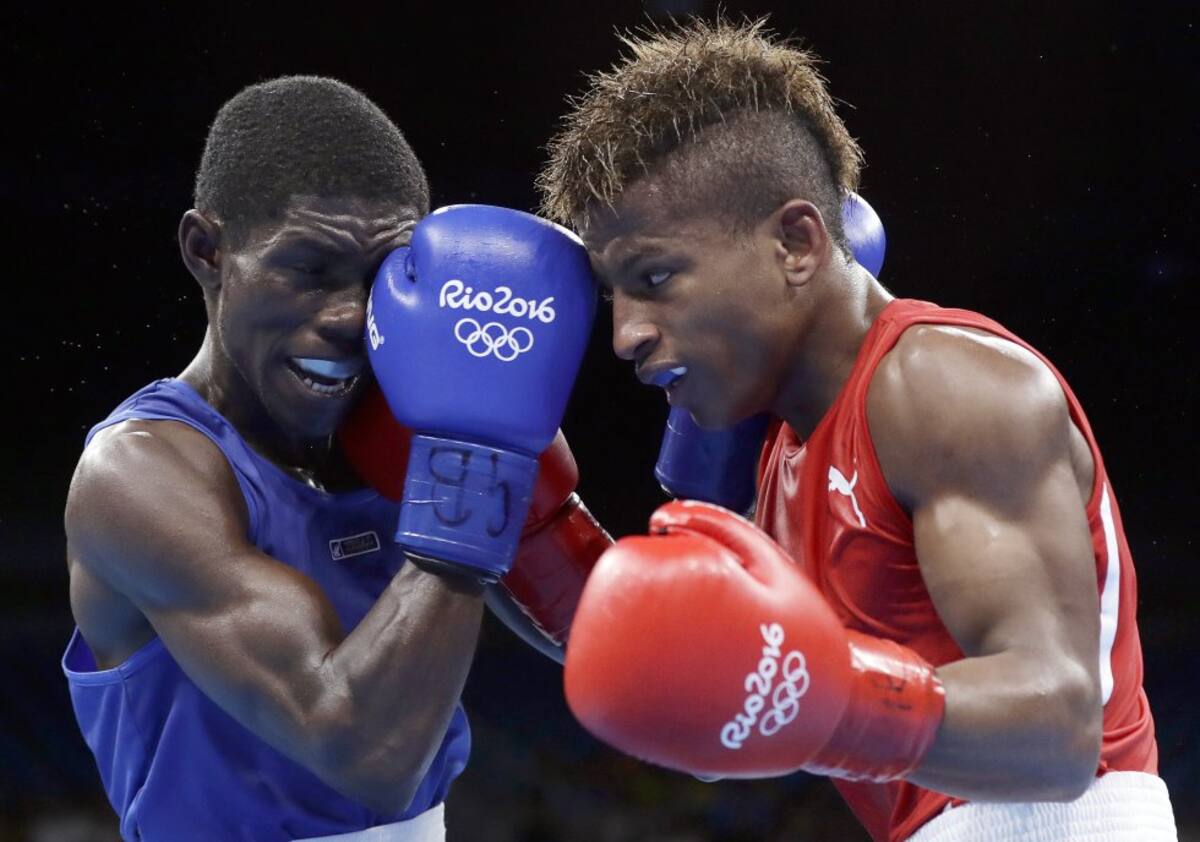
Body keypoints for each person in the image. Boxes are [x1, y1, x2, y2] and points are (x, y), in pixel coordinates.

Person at [537, 18, 1178, 842]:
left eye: (655, 279)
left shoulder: (941, 385)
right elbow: (702, 693)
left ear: (797, 243)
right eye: (615, 297)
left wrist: (824, 696)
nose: (627, 333)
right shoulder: (778, 455)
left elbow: (1056, 731)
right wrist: (519, 528)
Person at [61, 75, 603, 842]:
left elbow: (594, 636)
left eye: (379, 275)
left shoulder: (417, 414)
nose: (347, 315)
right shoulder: (140, 474)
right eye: (308, 270)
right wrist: (473, 475)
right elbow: (362, 751)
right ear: (207, 251)